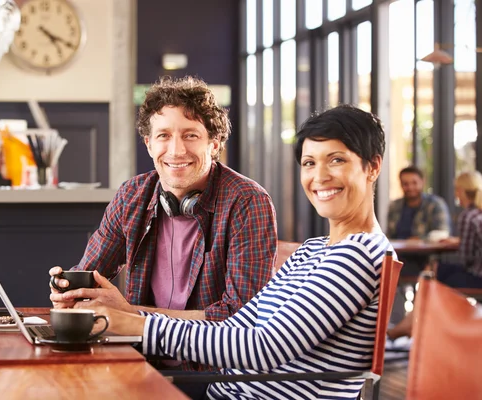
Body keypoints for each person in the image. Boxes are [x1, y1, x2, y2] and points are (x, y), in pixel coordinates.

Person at [78, 104, 391, 400]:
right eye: (310, 163)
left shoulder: (358, 255)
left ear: (372, 167)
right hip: (225, 390)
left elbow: (265, 348)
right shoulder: (313, 250)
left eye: (336, 160)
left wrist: (137, 325)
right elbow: (237, 326)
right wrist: (121, 316)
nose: (319, 176)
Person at [49, 76, 277, 323]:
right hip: (140, 353)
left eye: (190, 135)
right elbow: (91, 271)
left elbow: (243, 318)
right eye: (163, 136)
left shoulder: (247, 202)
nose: (176, 150)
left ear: (214, 144)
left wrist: (131, 313)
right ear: (148, 144)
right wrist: (67, 288)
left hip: (207, 360)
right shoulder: (131, 195)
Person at [387, 171, 482, 340]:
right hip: (406, 259)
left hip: (476, 277)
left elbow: (466, 260)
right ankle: (419, 325)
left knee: (430, 271)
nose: (455, 193)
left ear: (462, 190)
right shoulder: (477, 214)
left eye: (456, 189)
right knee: (432, 270)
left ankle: (417, 325)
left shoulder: (467, 216)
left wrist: (461, 244)